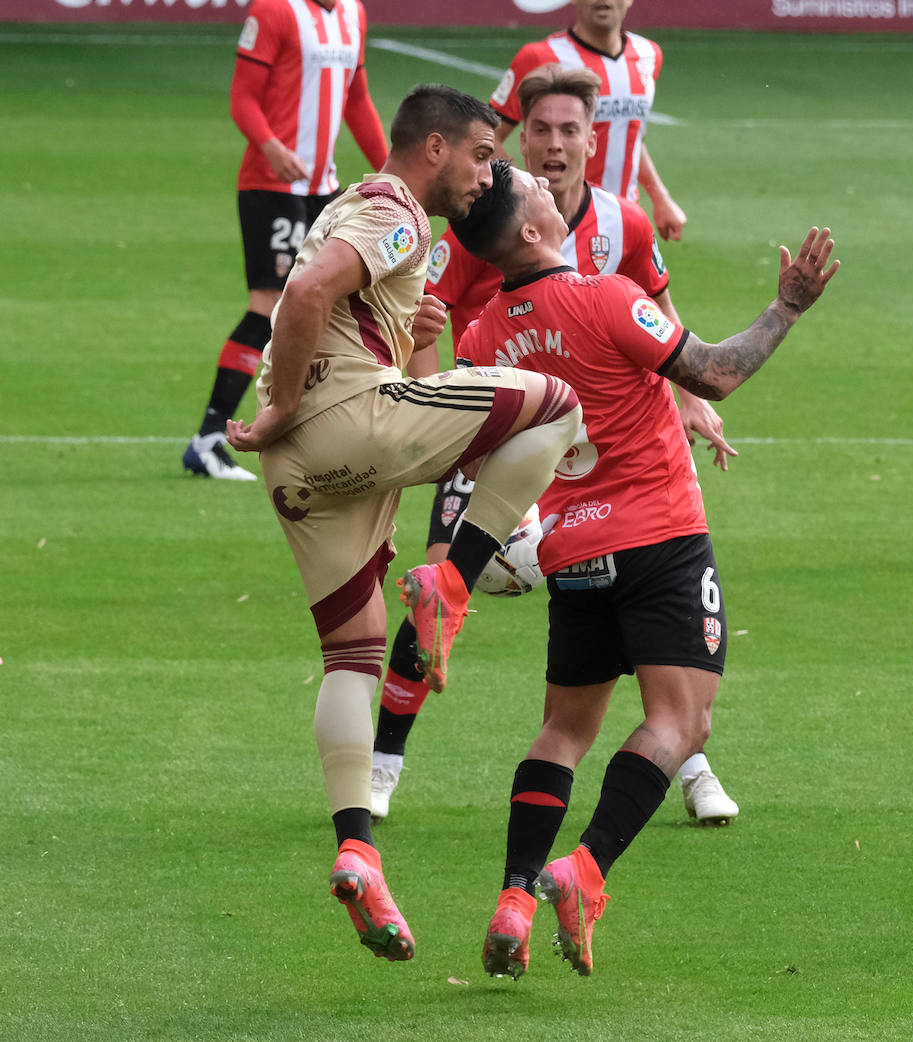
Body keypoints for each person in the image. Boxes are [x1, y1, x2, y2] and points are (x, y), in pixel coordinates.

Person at [448, 158, 837, 978]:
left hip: (569, 549)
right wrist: (788, 308)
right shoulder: (604, 296)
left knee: (563, 729)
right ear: (527, 230)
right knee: (681, 722)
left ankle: (513, 899)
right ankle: (582, 874)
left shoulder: (481, 334)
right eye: (533, 187)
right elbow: (718, 374)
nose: (549, 183)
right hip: (660, 535)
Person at [224, 86, 582, 963]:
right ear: (432, 148)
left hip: (300, 473)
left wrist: (409, 333)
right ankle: (452, 582)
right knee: (557, 406)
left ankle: (358, 848)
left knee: (354, 651)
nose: (492, 172)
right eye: (482, 154)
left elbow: (357, 318)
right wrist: (275, 410)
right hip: (343, 423)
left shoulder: (358, 207)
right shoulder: (397, 213)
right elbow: (305, 291)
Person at [369, 64, 738, 828]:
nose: (554, 145)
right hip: (506, 429)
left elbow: (662, 316)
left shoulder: (625, 224)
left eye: (569, 130)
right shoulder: (484, 218)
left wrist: (691, 397)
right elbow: (427, 325)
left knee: (644, 575)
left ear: (591, 141)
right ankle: (383, 763)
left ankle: (694, 763)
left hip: (609, 443)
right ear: (522, 137)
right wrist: (447, 419)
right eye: (540, 130)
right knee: (442, 584)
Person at [183, 0, 390, 482]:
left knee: (332, 308)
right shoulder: (274, 10)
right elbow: (243, 99)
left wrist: (392, 174)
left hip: (324, 190)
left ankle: (314, 428)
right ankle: (209, 436)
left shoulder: (352, 13)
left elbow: (356, 101)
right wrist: (273, 147)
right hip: (271, 187)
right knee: (270, 305)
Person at [488, 0, 688, 242]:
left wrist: (661, 198)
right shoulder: (540, 56)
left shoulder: (649, 55)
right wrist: (521, 192)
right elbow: (487, 135)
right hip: (557, 225)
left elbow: (628, 134)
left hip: (623, 224)